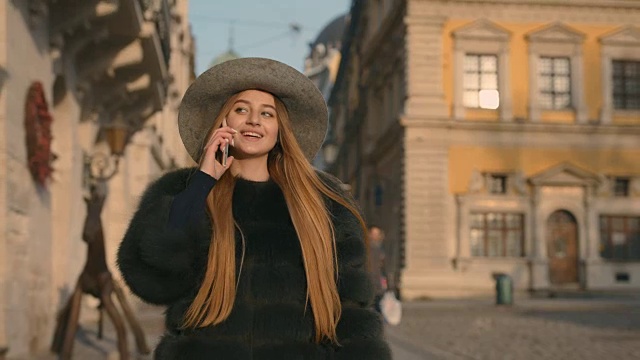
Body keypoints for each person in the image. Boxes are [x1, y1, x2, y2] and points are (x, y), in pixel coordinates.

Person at [117, 58, 391, 360]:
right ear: (224, 121)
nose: (254, 121)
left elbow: (350, 311)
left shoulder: (324, 201)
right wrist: (203, 183)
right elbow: (150, 276)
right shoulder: (185, 191)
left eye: (267, 113)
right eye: (241, 109)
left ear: (279, 128)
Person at [367, 225, 387, 312]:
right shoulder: (368, 247)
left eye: (377, 234)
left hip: (378, 281)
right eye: (373, 233)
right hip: (369, 280)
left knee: (378, 304)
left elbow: (383, 266)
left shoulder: (381, 247)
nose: (375, 236)